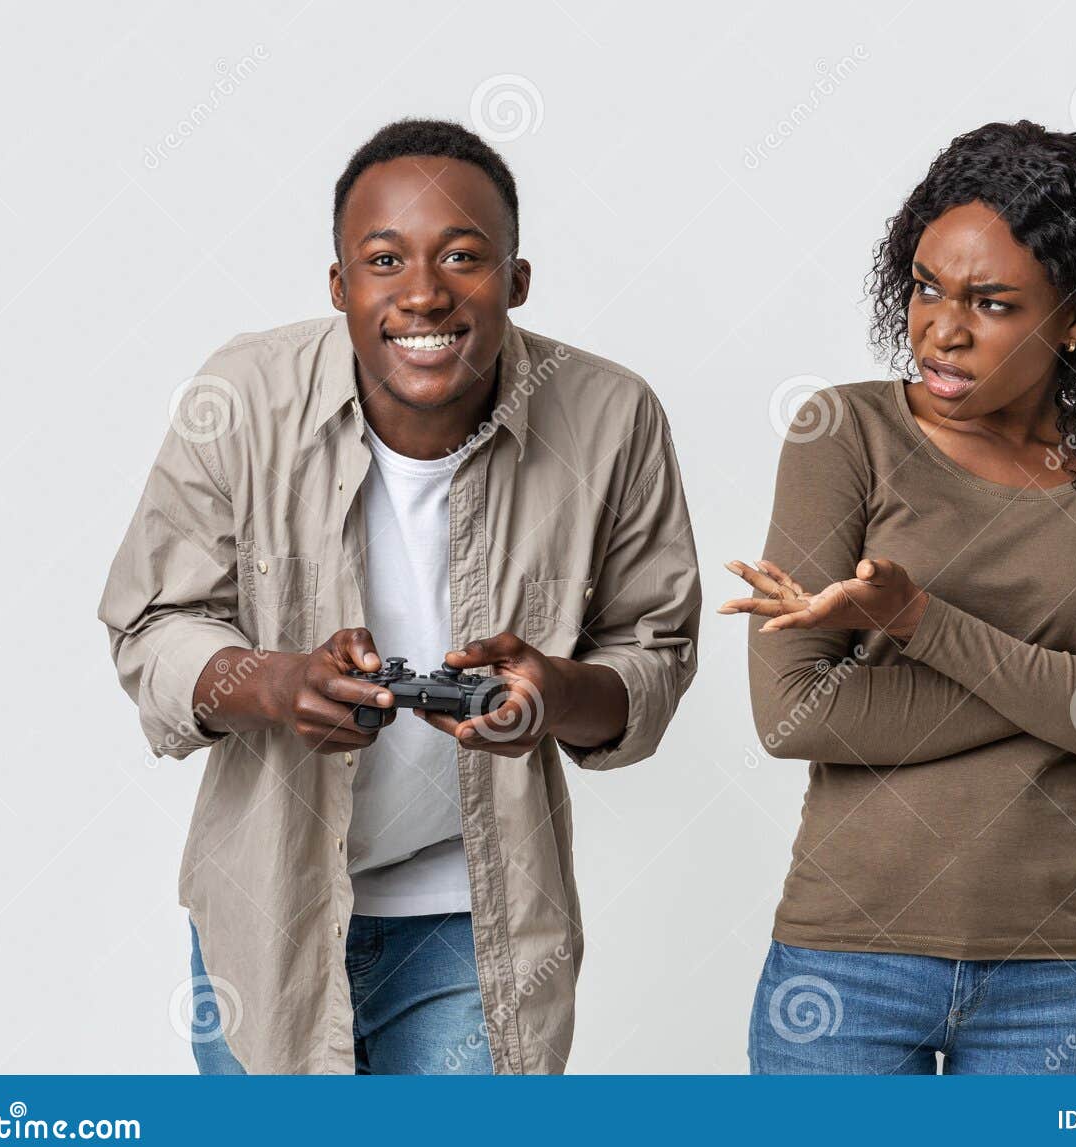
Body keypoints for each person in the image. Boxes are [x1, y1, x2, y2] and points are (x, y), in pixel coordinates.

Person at [99, 117, 701, 1074]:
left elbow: (654, 652)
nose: (424, 292)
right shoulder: (241, 398)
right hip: (269, 909)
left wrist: (551, 691)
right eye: (385, 259)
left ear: (517, 279)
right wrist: (274, 683)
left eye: (464, 256)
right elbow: (152, 625)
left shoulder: (610, 417)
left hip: (481, 924)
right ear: (340, 286)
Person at [720, 120, 1076, 1074]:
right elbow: (795, 714)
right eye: (926, 286)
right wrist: (1073, 707)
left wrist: (917, 622)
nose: (941, 328)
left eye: (991, 302)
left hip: (1056, 977)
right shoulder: (842, 430)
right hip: (843, 965)